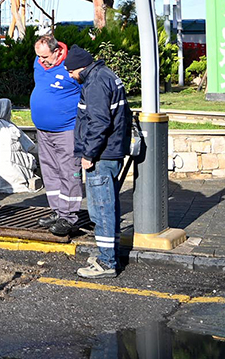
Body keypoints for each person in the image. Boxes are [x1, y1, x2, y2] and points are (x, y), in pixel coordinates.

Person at [65, 45, 131, 279]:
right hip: (112, 152)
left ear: (80, 67)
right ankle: (109, 253)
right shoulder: (107, 75)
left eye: (70, 72)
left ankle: (106, 262)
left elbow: (99, 123)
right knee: (109, 206)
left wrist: (88, 155)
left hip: (101, 155)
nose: (70, 76)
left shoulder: (94, 83)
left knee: (101, 209)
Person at [31, 33, 84, 237]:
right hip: (43, 131)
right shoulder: (39, 62)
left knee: (69, 171)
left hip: (66, 130)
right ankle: (57, 210)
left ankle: (69, 216)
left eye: (45, 57)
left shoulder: (71, 66)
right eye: (38, 57)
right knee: (50, 171)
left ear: (57, 51)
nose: (41, 61)